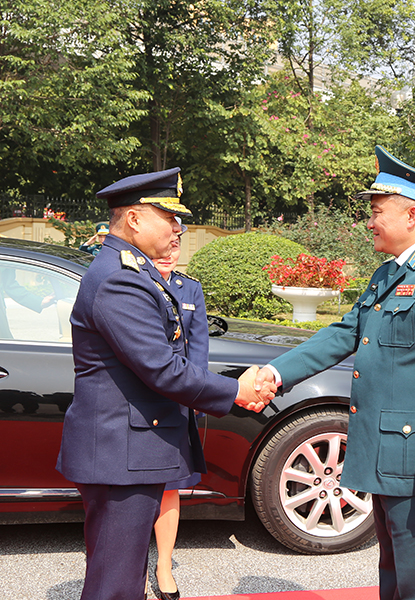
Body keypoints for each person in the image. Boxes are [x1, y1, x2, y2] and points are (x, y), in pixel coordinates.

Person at [254, 145, 415, 600]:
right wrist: (274, 372)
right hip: (387, 459)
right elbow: (343, 334)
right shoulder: (388, 274)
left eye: (378, 211)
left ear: (412, 216)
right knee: (396, 580)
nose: (370, 221)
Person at [56, 167, 276, 600]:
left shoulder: (134, 271)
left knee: (120, 577)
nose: (178, 227)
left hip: (128, 452)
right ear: (135, 219)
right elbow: (162, 368)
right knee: (115, 585)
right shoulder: (120, 278)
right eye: (168, 216)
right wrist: (237, 392)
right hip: (122, 456)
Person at [151, 231, 207, 600]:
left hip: (176, 399)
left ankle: (164, 564)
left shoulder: (191, 289)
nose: (172, 252)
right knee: (136, 492)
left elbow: (198, 345)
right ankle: (135, 565)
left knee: (170, 485)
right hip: (141, 398)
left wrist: (198, 391)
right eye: (166, 245)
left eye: (177, 246)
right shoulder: (134, 283)